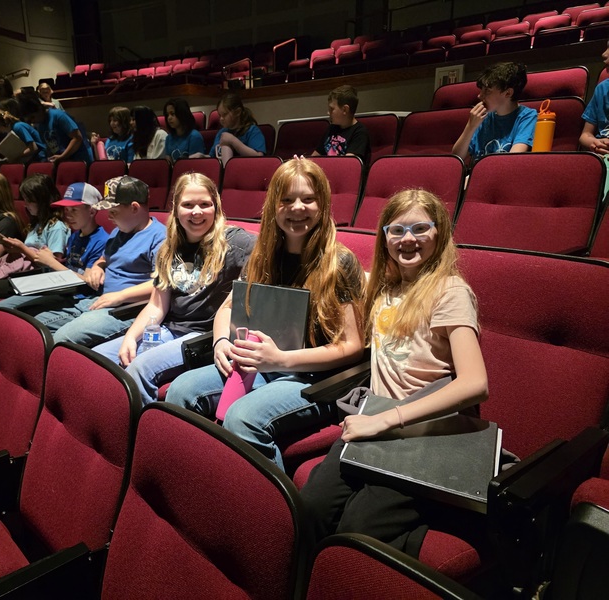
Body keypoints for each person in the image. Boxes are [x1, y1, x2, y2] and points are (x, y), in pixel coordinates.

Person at [299, 188, 488, 558]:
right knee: (308, 512)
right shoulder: (385, 287)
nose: (408, 239)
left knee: (357, 533)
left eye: (420, 228)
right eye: (396, 230)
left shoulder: (450, 291)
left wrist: (387, 420)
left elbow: (475, 383)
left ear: (440, 233)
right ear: (384, 236)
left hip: (426, 434)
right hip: (375, 424)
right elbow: (338, 271)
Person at [166, 158, 366, 471]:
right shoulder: (263, 255)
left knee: (243, 418)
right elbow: (229, 307)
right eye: (286, 199)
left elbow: (352, 345)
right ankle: (194, 477)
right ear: (274, 205)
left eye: (308, 199)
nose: (297, 208)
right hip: (262, 366)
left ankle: (269, 511)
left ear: (323, 204)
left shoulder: (339, 262)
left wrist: (281, 360)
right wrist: (220, 342)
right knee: (180, 391)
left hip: (314, 378)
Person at [93, 173, 255, 405]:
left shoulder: (237, 243)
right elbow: (156, 305)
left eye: (204, 204)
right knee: (97, 358)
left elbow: (271, 249)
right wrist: (130, 337)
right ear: (176, 209)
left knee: (139, 369)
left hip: (202, 337)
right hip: (168, 329)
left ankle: (136, 434)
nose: (196, 212)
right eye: (187, 205)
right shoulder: (168, 248)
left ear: (216, 207)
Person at [19, 175, 166, 346]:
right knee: (30, 326)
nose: (109, 217)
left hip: (126, 309)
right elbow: (106, 257)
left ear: (134, 208)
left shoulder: (160, 237)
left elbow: (162, 285)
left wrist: (120, 296)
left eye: (114, 212)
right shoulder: (119, 231)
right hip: (98, 301)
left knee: (60, 340)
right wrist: (98, 265)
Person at [0, 181, 109, 310]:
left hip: (78, 298)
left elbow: (88, 282)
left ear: (92, 212)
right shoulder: (75, 236)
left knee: (15, 312)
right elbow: (69, 266)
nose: (68, 215)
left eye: (74, 210)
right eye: (66, 210)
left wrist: (51, 263)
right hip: (61, 288)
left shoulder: (102, 241)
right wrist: (51, 259)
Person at [0, 174, 69, 299]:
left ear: (42, 201)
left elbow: (53, 264)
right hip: (21, 272)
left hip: (36, 279)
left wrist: (22, 248)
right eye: (24, 200)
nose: (25, 204)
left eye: (29, 201)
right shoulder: (36, 223)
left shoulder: (57, 227)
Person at [452, 62, 537, 161]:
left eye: (487, 91)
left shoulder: (527, 117)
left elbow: (512, 160)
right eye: (481, 90)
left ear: (508, 93)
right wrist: (470, 127)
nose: (479, 96)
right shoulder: (483, 117)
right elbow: (456, 158)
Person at [17, 92, 92, 165]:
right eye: (30, 121)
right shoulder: (40, 126)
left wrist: (62, 156)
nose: (33, 121)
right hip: (64, 161)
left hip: (80, 160)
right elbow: (49, 147)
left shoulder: (58, 116)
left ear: (40, 109)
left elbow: (77, 138)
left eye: (32, 117)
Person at [312, 85, 371, 163]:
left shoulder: (360, 133)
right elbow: (314, 157)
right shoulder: (331, 128)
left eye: (331, 109)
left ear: (345, 110)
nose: (328, 113)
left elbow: (348, 165)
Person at [209, 92, 266, 165]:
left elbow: (259, 157)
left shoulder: (252, 131)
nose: (221, 119)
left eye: (225, 114)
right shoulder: (221, 133)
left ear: (238, 112)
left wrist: (233, 141)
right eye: (219, 115)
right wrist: (202, 156)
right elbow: (213, 156)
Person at [163, 98, 204, 163]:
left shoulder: (194, 136)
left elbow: (195, 163)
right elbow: (168, 164)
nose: (169, 118)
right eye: (167, 115)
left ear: (182, 114)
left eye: (172, 114)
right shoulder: (168, 138)